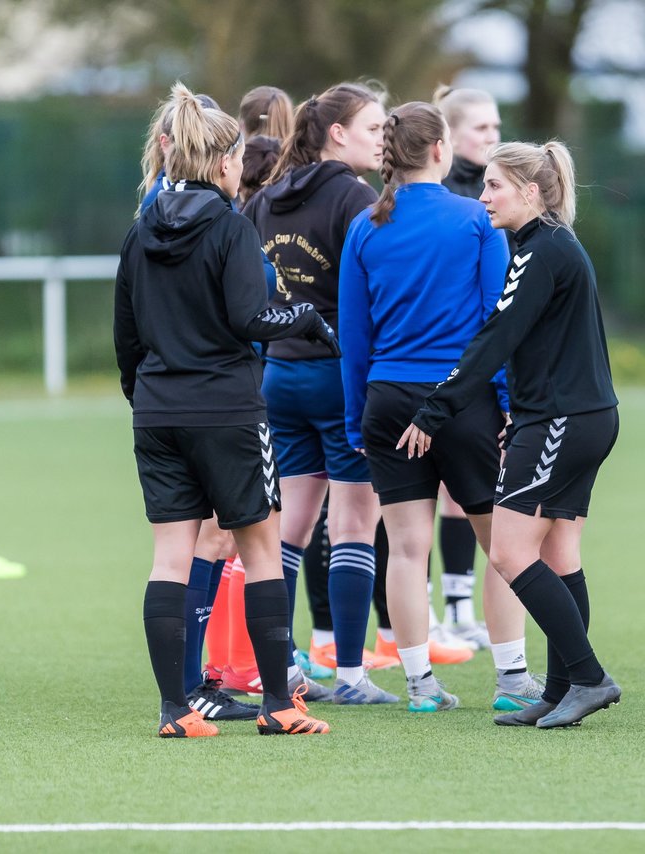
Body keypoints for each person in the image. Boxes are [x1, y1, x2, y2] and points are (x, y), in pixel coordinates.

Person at [114, 82, 337, 738]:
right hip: (229, 411)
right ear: (221, 164)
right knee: (262, 548)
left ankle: (175, 710)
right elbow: (251, 317)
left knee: (170, 558)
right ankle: (278, 704)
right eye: (237, 160)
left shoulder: (140, 230)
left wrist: (147, 397)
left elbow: (125, 337)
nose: (242, 169)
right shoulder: (232, 228)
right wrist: (307, 315)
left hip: (157, 412)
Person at [398, 140, 621, 729]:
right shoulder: (546, 246)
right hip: (575, 418)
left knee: (507, 553)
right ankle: (562, 689)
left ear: (531, 192)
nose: (483, 195)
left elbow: (494, 338)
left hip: (562, 422)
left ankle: (590, 678)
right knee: (558, 554)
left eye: (495, 186)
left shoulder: (540, 252)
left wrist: (433, 411)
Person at [339, 101, 542, 713]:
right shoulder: (474, 219)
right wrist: (506, 407)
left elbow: (355, 338)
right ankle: (511, 681)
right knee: (502, 545)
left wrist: (356, 417)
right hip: (462, 400)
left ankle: (420, 685)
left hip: (387, 398)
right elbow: (496, 325)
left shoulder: (365, 226)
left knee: (405, 548)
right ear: (437, 151)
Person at [242, 82, 401, 705]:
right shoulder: (359, 198)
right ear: (338, 133)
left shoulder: (268, 197)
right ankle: (353, 677)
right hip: (339, 378)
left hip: (281, 377)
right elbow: (373, 295)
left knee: (289, 530)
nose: (383, 138)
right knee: (356, 525)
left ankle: (277, 669)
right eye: (372, 128)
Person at [427, 84, 506, 649]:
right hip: (440, 370)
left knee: (465, 495)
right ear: (447, 138)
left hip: (471, 371)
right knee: (415, 499)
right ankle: (426, 612)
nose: (493, 138)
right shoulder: (454, 202)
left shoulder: (492, 193)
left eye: (497, 128)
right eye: (482, 128)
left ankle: (458, 606)